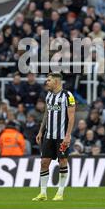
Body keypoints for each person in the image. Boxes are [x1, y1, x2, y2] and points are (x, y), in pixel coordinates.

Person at [32, 72, 76, 202]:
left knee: (62, 162)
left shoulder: (68, 96)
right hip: (49, 135)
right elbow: (46, 114)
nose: (47, 82)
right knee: (44, 162)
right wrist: (41, 131)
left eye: (49, 80)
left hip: (62, 136)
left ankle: (60, 193)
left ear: (56, 82)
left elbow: (72, 117)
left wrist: (68, 136)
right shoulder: (49, 95)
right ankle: (43, 193)